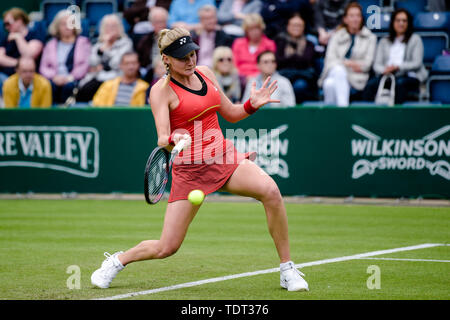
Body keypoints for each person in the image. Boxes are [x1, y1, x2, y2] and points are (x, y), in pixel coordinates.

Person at [90, 27, 309, 292]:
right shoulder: (161, 91)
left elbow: (231, 113)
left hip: (223, 156)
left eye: (193, 53)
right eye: (183, 56)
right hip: (190, 171)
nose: (191, 60)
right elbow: (162, 137)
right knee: (166, 247)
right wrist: (176, 139)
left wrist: (252, 104)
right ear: (166, 59)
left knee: (271, 191)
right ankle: (117, 260)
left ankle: (287, 270)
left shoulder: (206, 73)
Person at [362, 9, 428, 104]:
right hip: (387, 75)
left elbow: (416, 63)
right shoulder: (384, 41)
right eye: (398, 20)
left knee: (400, 84)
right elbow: (377, 65)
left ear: (408, 23)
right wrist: (384, 70)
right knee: (370, 85)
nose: (401, 23)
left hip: (409, 76)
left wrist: (398, 67)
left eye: (404, 21)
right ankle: (367, 115)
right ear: (393, 22)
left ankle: (397, 116)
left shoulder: (415, 39)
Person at [318, 2, 376, 107]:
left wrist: (343, 63)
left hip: (357, 78)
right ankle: (343, 108)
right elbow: (329, 61)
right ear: (345, 19)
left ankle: (330, 118)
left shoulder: (370, 37)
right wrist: (349, 64)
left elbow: (367, 65)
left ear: (362, 18)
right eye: (352, 16)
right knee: (339, 71)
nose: (355, 19)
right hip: (337, 72)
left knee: (329, 84)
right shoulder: (336, 36)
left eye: (358, 16)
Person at [76, 14, 133, 103]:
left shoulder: (126, 43)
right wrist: (104, 46)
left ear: (119, 28)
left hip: (116, 77)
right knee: (82, 91)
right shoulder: (99, 44)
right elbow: (92, 62)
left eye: (113, 26)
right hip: (97, 76)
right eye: (107, 26)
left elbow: (116, 64)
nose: (110, 29)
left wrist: (104, 56)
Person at [39, 10, 91, 105]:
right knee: (48, 86)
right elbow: (43, 67)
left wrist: (69, 78)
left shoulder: (83, 42)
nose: (67, 27)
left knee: (69, 87)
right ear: (57, 27)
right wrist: (54, 77)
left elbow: (85, 65)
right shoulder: (50, 44)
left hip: (73, 79)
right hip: (54, 79)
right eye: (63, 24)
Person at [275, 12, 318, 103]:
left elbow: (306, 61)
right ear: (288, 26)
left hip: (302, 77)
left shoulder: (309, 44)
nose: (296, 28)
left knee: (300, 86)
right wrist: (297, 57)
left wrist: (290, 57)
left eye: (299, 25)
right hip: (283, 75)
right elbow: (278, 61)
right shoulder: (280, 42)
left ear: (303, 27)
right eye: (294, 25)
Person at [0, 8, 44, 97]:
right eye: (5, 25)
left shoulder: (34, 35)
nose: (6, 27)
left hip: (29, 76)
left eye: (8, 23)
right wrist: (18, 64)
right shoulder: (6, 38)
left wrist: (18, 37)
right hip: (5, 76)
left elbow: (28, 55)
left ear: (19, 20)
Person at [231, 13, 276, 83]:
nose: (254, 32)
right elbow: (234, 65)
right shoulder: (238, 43)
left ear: (261, 28)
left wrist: (255, 77)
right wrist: (244, 77)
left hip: (262, 78)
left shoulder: (269, 44)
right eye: (251, 29)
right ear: (246, 30)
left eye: (257, 28)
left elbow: (270, 65)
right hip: (240, 79)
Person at [191, 4, 234, 68]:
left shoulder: (224, 37)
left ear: (216, 18)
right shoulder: (194, 37)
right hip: (196, 69)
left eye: (212, 17)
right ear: (200, 20)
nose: (210, 21)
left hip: (216, 71)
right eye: (206, 18)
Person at [136, 6, 169, 83]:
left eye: (162, 21)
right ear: (152, 24)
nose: (160, 25)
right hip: (151, 74)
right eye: (157, 22)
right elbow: (141, 60)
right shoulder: (145, 40)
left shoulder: (174, 38)